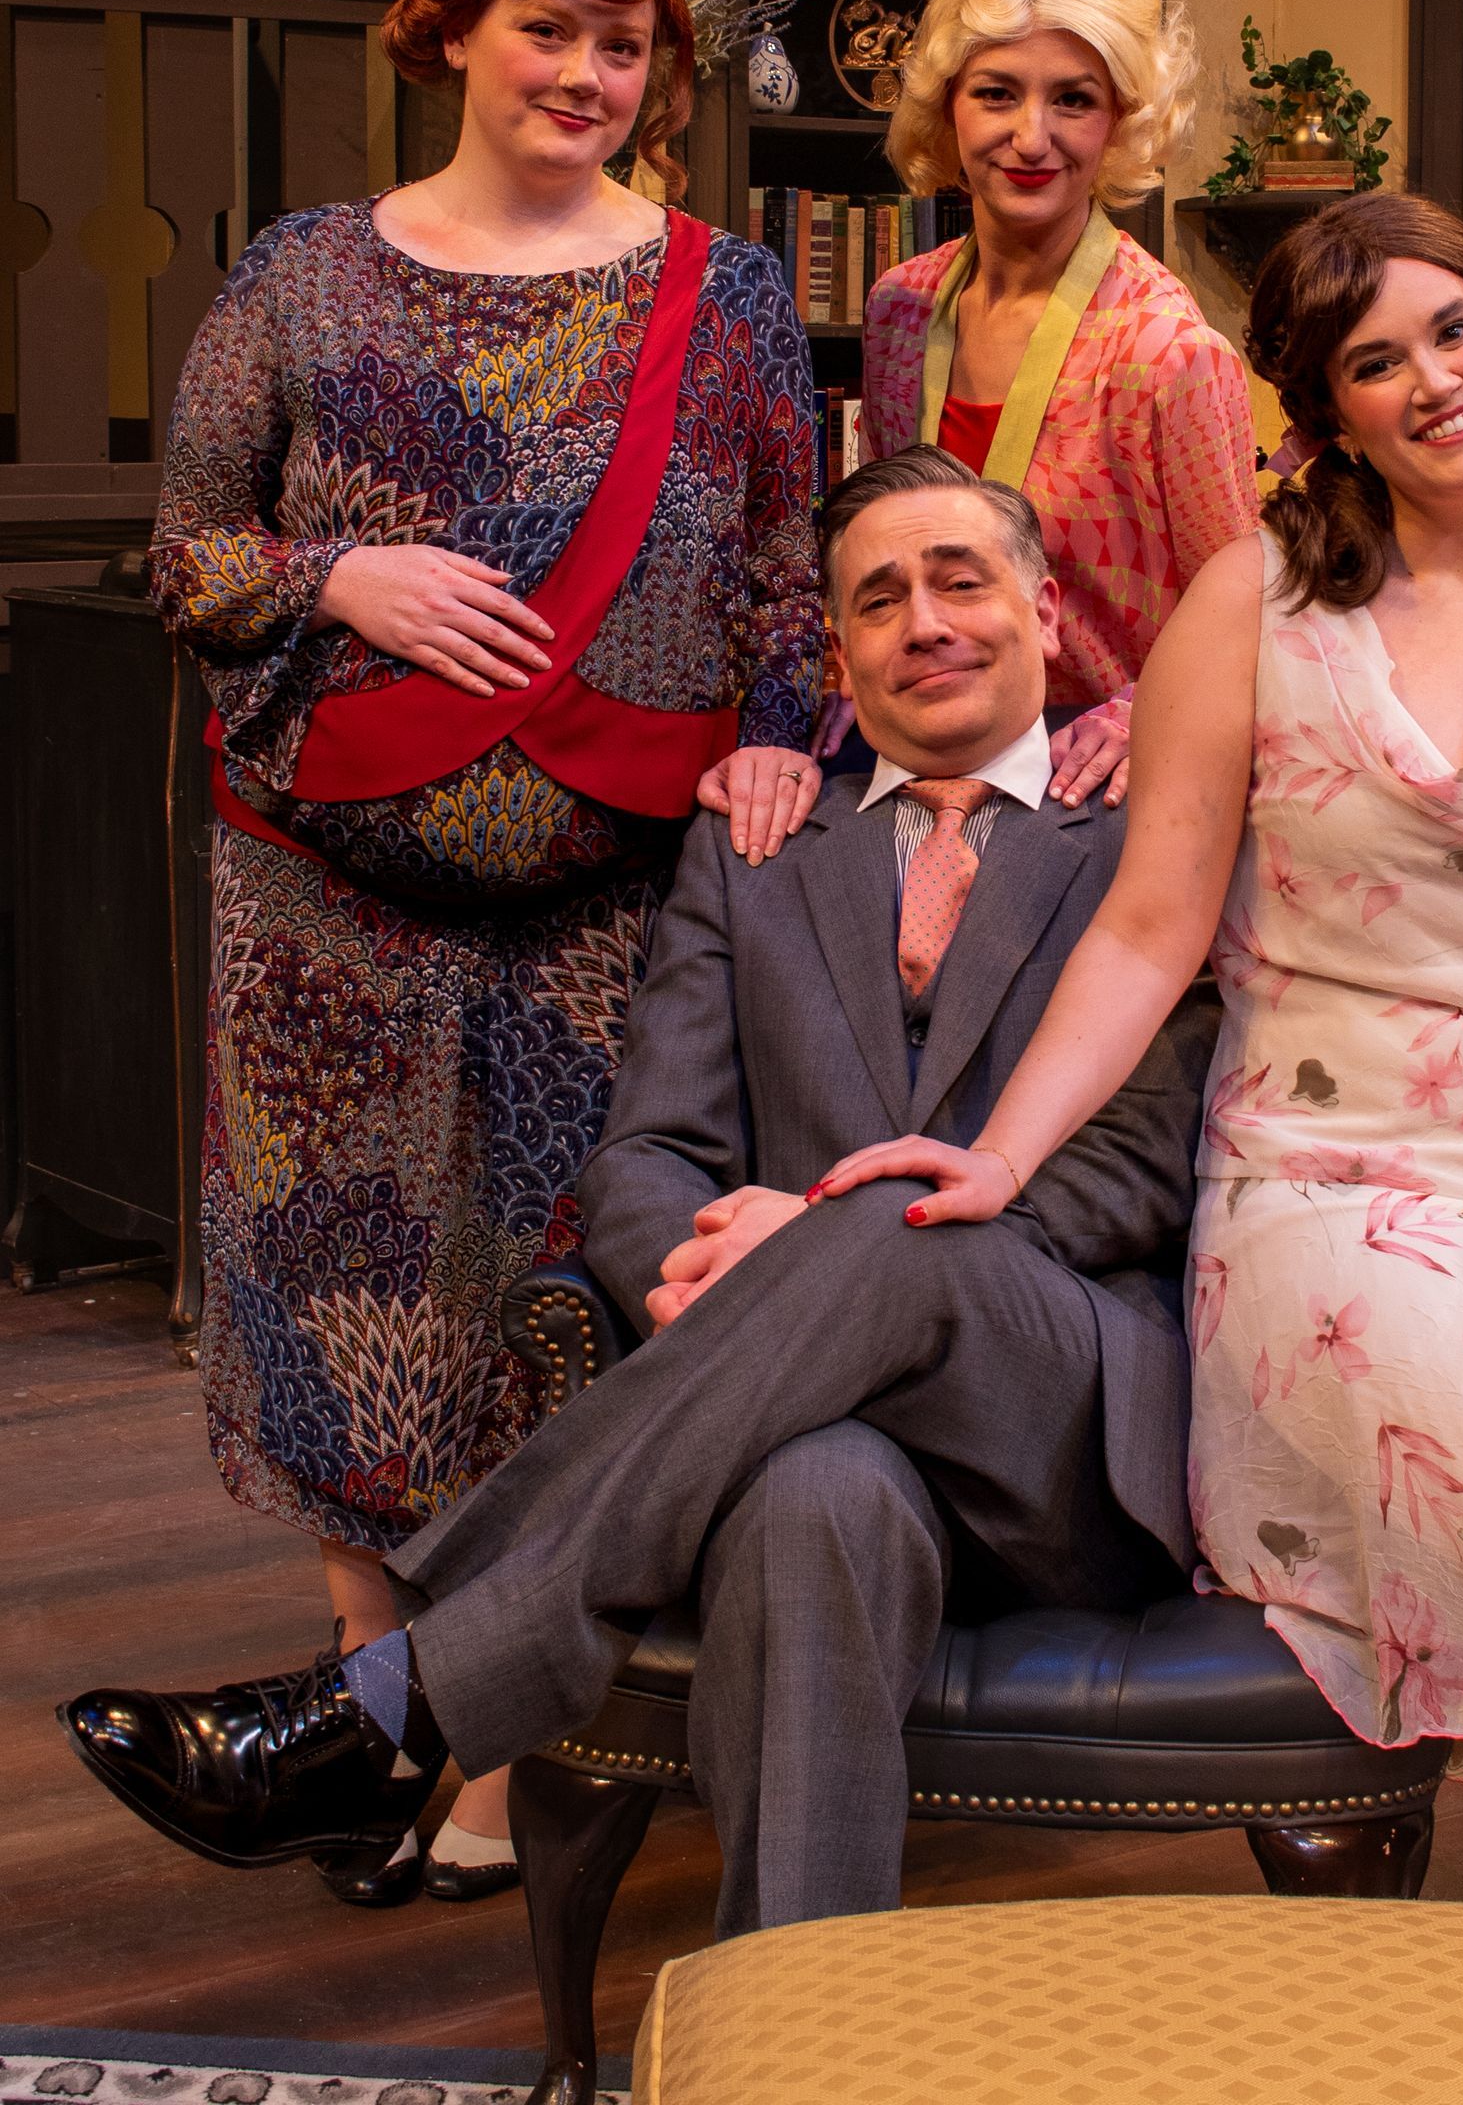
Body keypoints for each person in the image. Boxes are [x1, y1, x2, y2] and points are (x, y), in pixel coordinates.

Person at [815, 193, 1463, 2105]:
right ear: (1331, 413)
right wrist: (991, 1150)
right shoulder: (1260, 605)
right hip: (1338, 1184)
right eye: (1376, 362)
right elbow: (1152, 927)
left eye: (1451, 331)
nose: (1433, 380)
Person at [62, 448, 1214, 1939]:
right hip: (800, 1434)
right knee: (814, 1507)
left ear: (1046, 614)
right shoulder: (757, 854)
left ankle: (406, 1696)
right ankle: (800, 2038)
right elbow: (648, 1160)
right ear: (839, 653)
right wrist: (705, 1262)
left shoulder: (1148, 842)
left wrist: (832, 1249)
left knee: (887, 1227)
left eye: (961, 581)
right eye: (879, 598)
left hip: (1049, 1415)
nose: (924, 621)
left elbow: (1141, 1169)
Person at [147, 0, 821, 1903]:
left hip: (613, 908)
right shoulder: (300, 274)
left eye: (625, 47)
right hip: (318, 912)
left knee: (562, 1311)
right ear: (450, 29)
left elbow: (790, 570)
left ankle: (500, 1747)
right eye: (550, 27)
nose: (587, 74)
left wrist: (787, 723)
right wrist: (335, 572)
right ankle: (379, 1708)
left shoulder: (732, 296)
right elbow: (183, 553)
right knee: (340, 1306)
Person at [800, 0, 1258, 818]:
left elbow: (1247, 620)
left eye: (1073, 101)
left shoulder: (1169, 355)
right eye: (997, 94)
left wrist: (1137, 718)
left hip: (1096, 780)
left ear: (1120, 124)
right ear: (947, 111)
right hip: (922, 750)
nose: (1030, 137)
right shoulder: (900, 309)